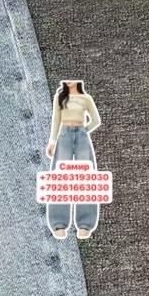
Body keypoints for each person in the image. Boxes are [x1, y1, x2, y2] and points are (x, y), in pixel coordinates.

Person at [45, 79, 102, 241]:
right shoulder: (60, 97)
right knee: (60, 177)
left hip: (81, 135)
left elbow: (96, 120)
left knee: (86, 177)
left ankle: (85, 224)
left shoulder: (86, 99)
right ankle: (58, 223)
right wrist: (52, 141)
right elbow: (56, 120)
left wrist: (84, 131)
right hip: (64, 135)